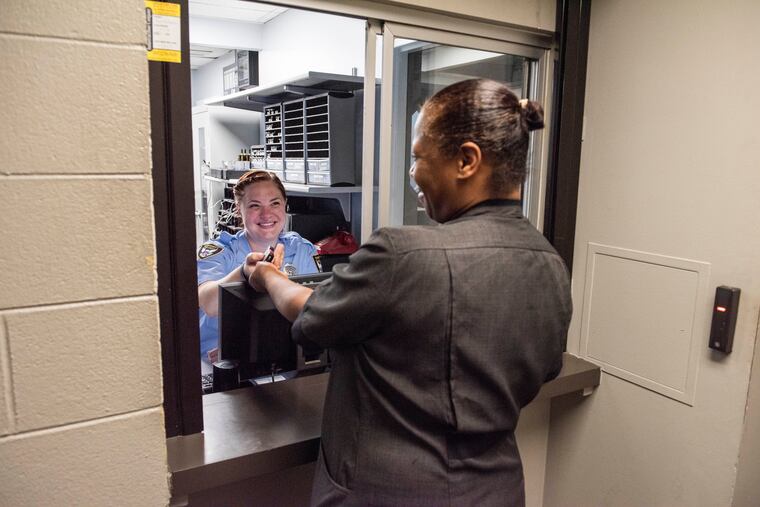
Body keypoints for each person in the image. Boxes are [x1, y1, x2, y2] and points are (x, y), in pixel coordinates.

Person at [249, 79, 572, 507]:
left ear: (466, 160)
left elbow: (311, 315)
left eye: (418, 158)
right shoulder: (550, 263)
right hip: (495, 492)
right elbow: (543, 370)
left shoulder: (403, 253)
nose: (413, 173)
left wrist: (268, 278)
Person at [196, 169, 318, 365]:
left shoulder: (301, 248)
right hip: (219, 366)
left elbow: (311, 314)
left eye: (275, 203)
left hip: (282, 359)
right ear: (238, 209)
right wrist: (245, 272)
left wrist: (251, 349)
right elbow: (209, 303)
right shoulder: (220, 251)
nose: (266, 214)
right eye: (255, 205)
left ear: (285, 205)